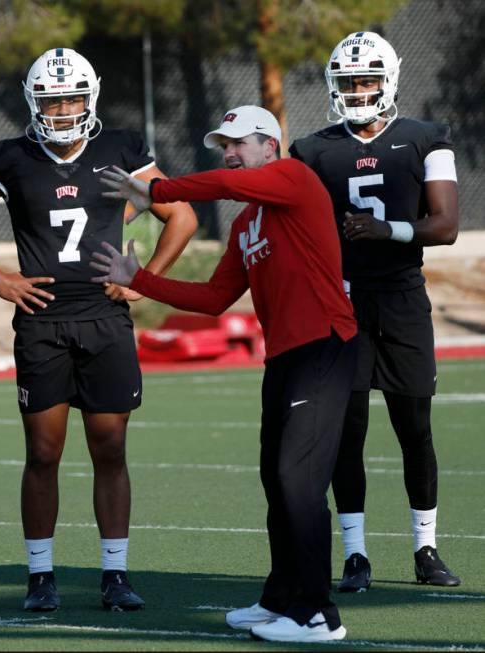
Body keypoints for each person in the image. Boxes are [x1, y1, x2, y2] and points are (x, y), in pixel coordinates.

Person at [0, 47, 198, 612]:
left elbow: (182, 214)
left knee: (110, 448)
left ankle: (116, 574)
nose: (61, 110)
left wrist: (144, 279)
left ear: (90, 97)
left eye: (72, 98)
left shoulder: (121, 148)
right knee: (43, 453)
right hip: (42, 322)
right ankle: (40, 576)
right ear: (33, 102)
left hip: (104, 318)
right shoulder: (8, 156)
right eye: (51, 100)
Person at [92, 105, 357, 642]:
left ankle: (317, 615)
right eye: (224, 145)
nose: (230, 152)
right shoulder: (246, 223)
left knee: (297, 480)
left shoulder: (294, 177)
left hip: (324, 349)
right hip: (284, 358)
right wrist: (139, 279)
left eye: (240, 142)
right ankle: (281, 599)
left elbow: (218, 186)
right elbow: (215, 299)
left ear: (271, 146)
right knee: (276, 482)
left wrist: (158, 192)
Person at [289, 31, 460, 591]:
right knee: (348, 433)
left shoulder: (424, 138)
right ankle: (356, 554)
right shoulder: (313, 150)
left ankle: (426, 547)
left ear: (388, 80)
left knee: (416, 429)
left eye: (366, 80)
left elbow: (447, 225)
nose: (358, 91)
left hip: (403, 298)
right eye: (348, 82)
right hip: (344, 303)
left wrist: (388, 229)